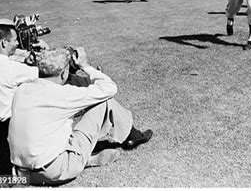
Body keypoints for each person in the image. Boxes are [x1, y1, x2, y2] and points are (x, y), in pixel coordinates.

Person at [9, 47, 153, 185]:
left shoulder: (22, 89)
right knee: (105, 101)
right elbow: (110, 88)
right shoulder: (63, 94)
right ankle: (132, 137)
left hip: (21, 172)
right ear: (64, 73)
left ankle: (86, 159)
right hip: (55, 171)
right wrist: (86, 66)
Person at [0, 19, 48, 139]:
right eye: (15, 40)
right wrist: (46, 51)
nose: (17, 44)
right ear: (4, 43)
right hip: (10, 125)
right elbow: (46, 73)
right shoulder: (12, 69)